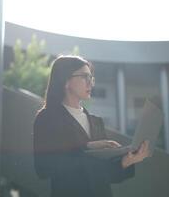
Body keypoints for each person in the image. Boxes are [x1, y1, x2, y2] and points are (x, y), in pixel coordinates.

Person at [33, 55, 150, 197]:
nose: (91, 84)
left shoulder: (96, 122)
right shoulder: (47, 118)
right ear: (65, 81)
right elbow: (43, 168)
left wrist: (128, 160)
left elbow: (106, 174)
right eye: (84, 77)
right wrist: (87, 146)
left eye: (91, 78)